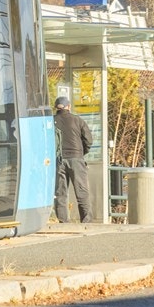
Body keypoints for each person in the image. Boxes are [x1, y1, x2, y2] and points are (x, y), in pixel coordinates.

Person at [53, 93, 94, 223]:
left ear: (56, 108)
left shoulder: (51, 121)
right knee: (81, 190)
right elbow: (88, 140)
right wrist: (81, 153)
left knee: (60, 192)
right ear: (68, 107)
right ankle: (86, 220)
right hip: (76, 158)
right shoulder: (78, 120)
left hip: (59, 159)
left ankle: (63, 221)